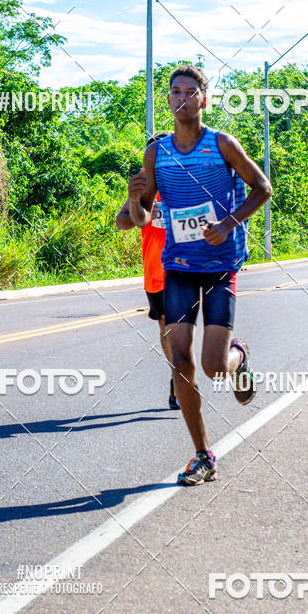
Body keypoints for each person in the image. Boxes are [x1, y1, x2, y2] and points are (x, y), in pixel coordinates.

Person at [126, 64, 272, 486]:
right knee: (180, 359)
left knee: (212, 366)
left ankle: (237, 357)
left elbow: (262, 187)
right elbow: (144, 216)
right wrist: (137, 200)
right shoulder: (157, 152)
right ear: (168, 100)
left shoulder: (222, 144)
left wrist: (228, 223)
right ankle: (203, 455)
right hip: (179, 267)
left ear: (204, 99)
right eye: (176, 92)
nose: (183, 97)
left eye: (192, 91)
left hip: (221, 265)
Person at [116, 133, 180, 410]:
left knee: (181, 329)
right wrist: (139, 207)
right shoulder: (144, 189)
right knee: (166, 328)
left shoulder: (186, 185)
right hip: (155, 272)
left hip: (186, 267)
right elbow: (121, 222)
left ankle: (182, 377)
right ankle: (178, 377)